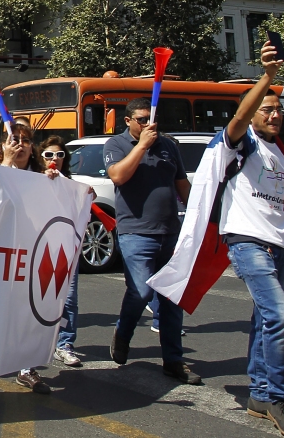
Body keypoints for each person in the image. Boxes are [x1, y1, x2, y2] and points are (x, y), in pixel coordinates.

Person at [216, 43, 284, 438]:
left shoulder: (280, 152)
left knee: (265, 318)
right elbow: (240, 116)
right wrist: (267, 78)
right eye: (268, 108)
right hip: (247, 242)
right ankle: (280, 398)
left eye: (279, 110)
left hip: (278, 245)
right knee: (279, 315)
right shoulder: (242, 142)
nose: (276, 114)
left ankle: (260, 394)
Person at [103, 98, 200, 386]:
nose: (149, 124)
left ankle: (173, 360)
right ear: (128, 121)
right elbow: (118, 176)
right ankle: (123, 332)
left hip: (170, 231)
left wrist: (200, 217)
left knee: (172, 298)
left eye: (152, 119)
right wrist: (142, 145)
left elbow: (182, 185)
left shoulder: (169, 146)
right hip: (135, 231)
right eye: (142, 119)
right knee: (141, 291)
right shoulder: (116, 145)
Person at [0, 124, 58, 394]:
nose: (21, 144)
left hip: (30, 254)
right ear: (3, 144)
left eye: (26, 140)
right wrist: (5, 163)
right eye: (15, 140)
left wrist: (79, 195)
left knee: (28, 311)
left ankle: (26, 368)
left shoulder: (43, 176)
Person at [37, 135, 84, 368]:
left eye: (60, 155)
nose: (55, 159)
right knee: (38, 298)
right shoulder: (33, 180)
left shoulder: (71, 184)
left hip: (65, 250)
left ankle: (65, 344)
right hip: (39, 250)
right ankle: (34, 346)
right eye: (49, 155)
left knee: (69, 298)